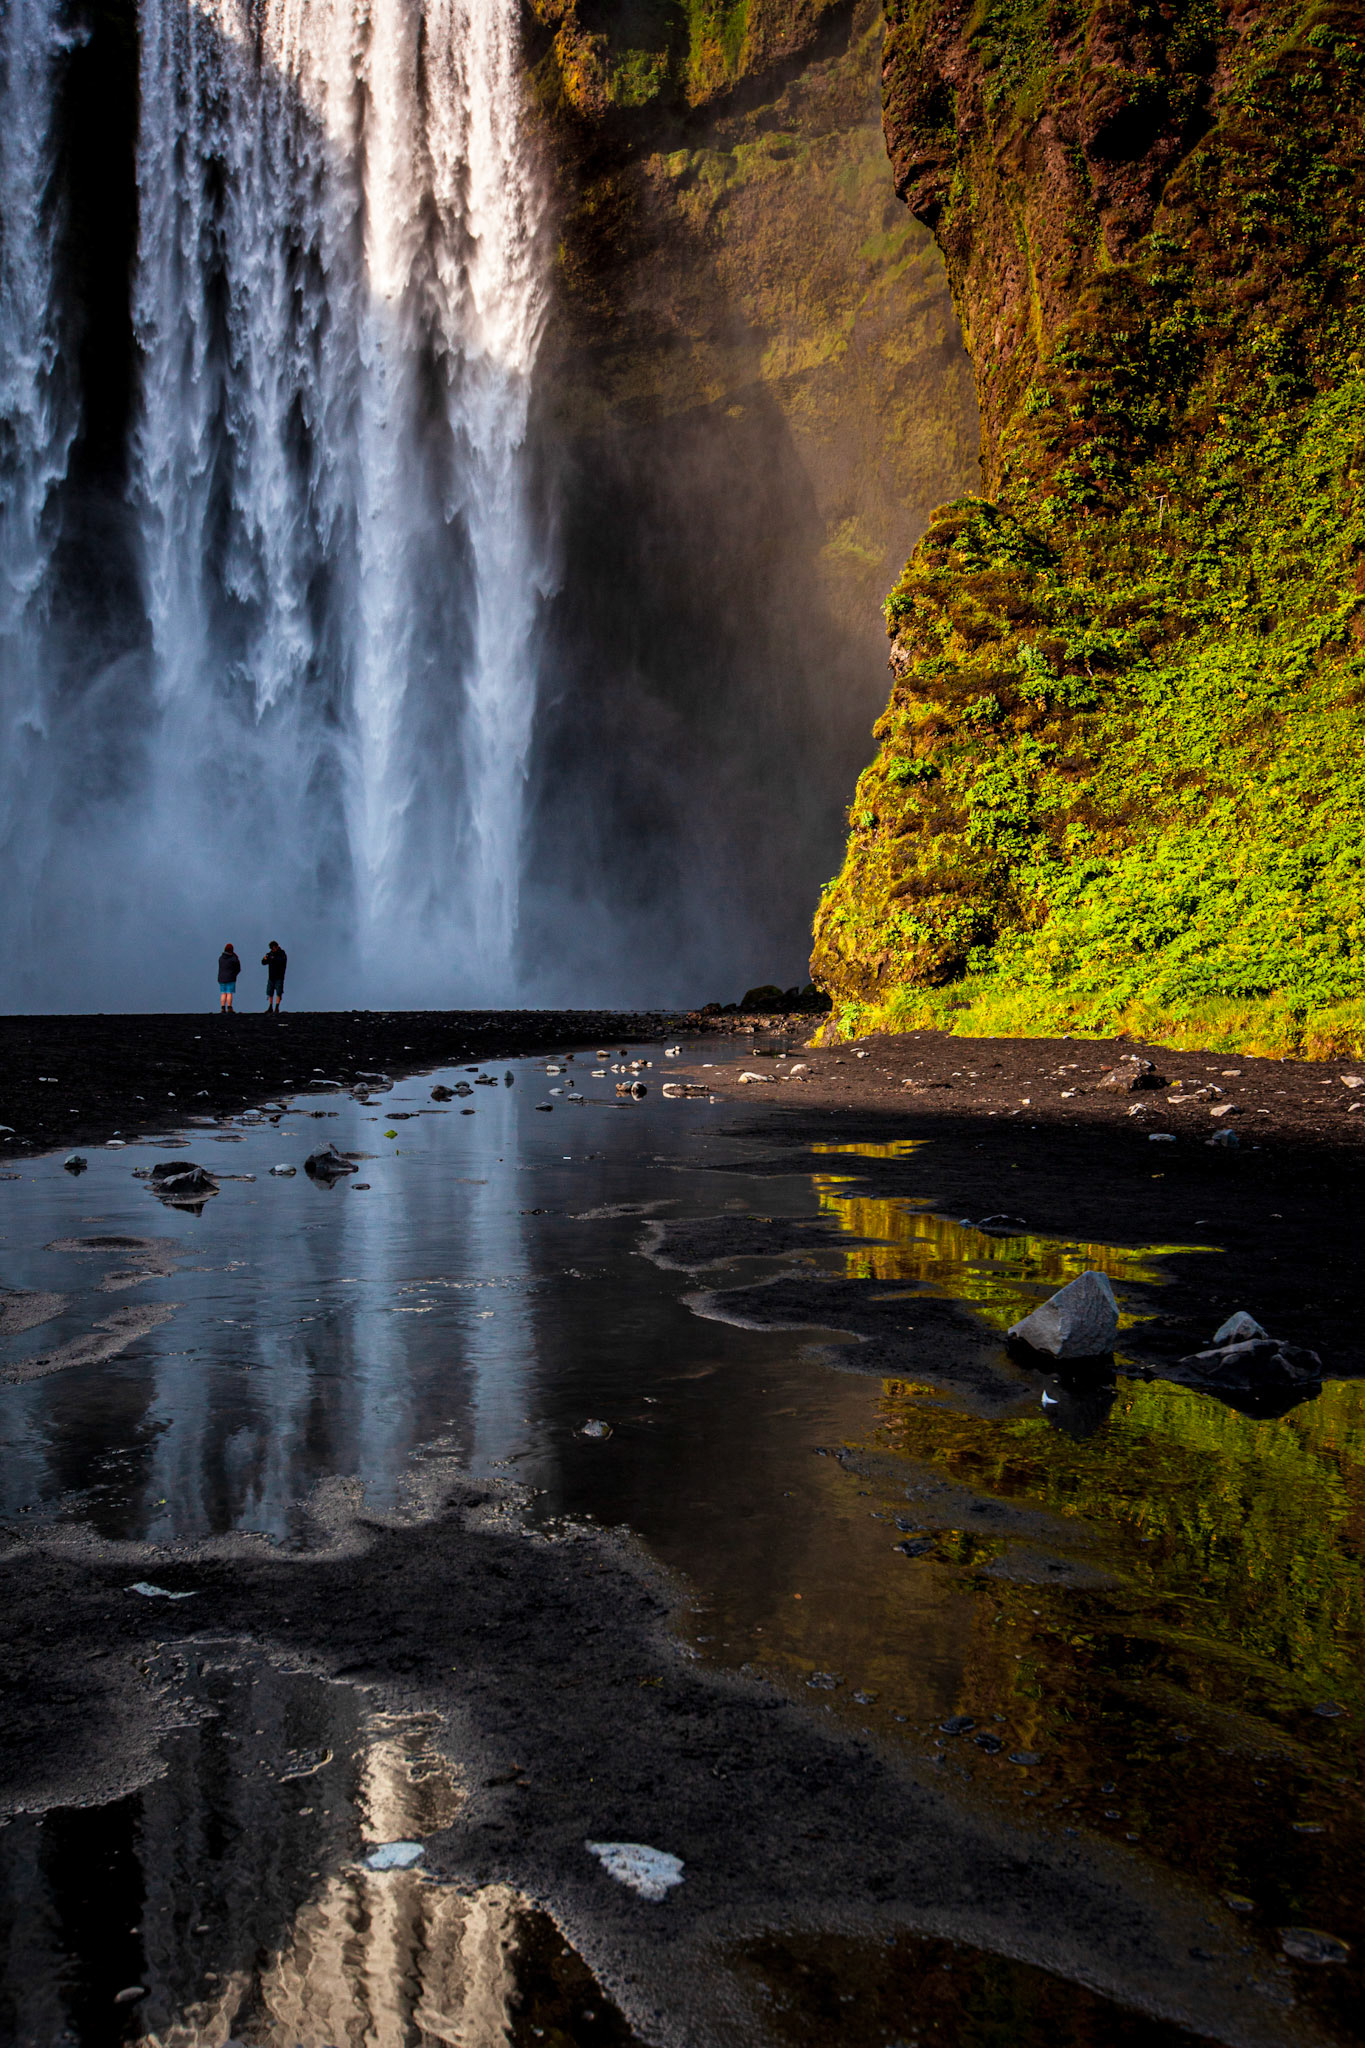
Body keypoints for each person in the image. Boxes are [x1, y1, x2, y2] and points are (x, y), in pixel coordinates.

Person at [262, 939, 287, 1013]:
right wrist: (266, 959)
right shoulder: (270, 954)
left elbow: (281, 961)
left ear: (276, 947)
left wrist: (272, 959)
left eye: (273, 948)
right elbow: (263, 962)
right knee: (270, 992)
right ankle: (270, 1007)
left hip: (279, 976)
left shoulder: (282, 954)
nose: (272, 949)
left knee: (279, 992)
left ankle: (277, 1007)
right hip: (271, 976)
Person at [217, 943, 241, 1013]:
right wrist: (234, 974)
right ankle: (229, 1007)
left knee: (223, 993)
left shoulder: (221, 958)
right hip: (230, 977)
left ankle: (222, 1008)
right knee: (229, 993)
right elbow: (238, 968)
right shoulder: (233, 958)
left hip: (221, 978)